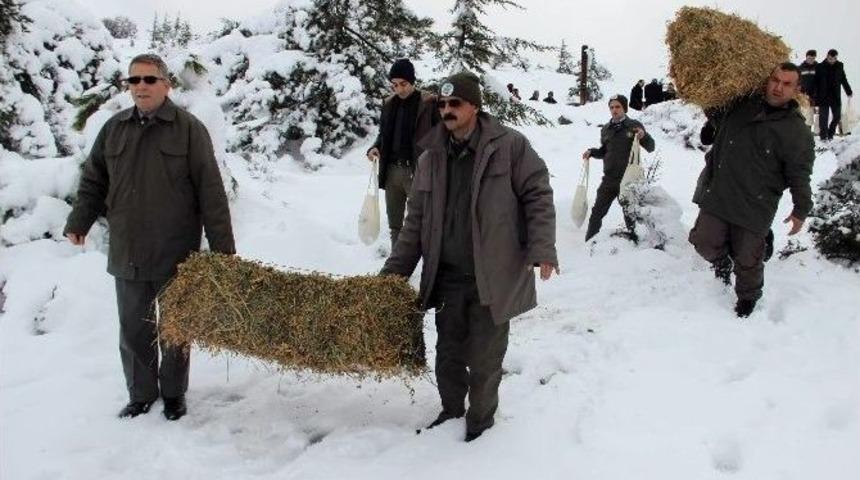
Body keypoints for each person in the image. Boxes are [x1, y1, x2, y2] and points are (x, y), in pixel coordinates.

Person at [381, 71, 558, 442]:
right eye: (442, 104)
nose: (446, 110)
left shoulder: (509, 146)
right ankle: (450, 412)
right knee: (447, 354)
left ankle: (480, 425)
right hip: (447, 277)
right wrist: (392, 274)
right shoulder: (430, 156)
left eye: (454, 103)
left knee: (484, 359)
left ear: (474, 106)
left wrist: (542, 248)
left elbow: (537, 194)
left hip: (491, 275)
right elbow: (415, 221)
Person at [63, 53, 236, 420]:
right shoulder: (114, 129)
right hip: (128, 246)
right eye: (134, 80)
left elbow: (211, 192)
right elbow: (94, 179)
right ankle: (140, 393)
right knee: (134, 327)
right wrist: (80, 221)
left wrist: (224, 251)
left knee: (175, 328)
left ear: (165, 84)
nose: (140, 86)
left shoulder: (188, 129)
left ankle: (173, 394)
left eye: (149, 80)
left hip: (176, 250)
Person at [689, 63, 814, 317]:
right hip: (721, 193)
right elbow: (714, 112)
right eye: (775, 80)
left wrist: (801, 208)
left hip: (755, 204)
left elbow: (800, 174)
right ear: (767, 81)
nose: (778, 87)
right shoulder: (741, 106)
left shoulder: (796, 132)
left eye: (787, 84)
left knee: (748, 260)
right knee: (703, 242)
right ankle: (722, 264)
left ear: (796, 90)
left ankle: (748, 298)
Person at [367, 58, 439, 248]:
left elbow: (440, 137)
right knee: (395, 224)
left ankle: (427, 267)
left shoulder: (429, 103)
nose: (399, 89)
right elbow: (384, 134)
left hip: (417, 171)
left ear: (412, 81)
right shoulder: (389, 104)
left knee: (422, 222)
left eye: (403, 84)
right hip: (391, 171)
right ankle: (396, 271)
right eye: (394, 85)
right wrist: (375, 147)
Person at [581, 94, 655, 242]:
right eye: (612, 107)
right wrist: (592, 152)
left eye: (618, 107)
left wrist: (643, 136)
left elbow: (651, 147)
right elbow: (605, 151)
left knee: (629, 214)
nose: (614, 110)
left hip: (627, 180)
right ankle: (589, 243)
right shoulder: (606, 129)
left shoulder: (634, 125)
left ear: (624, 108)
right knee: (597, 213)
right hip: (608, 180)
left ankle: (634, 243)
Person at [814, 49, 853, 140]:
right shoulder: (819, 67)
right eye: (831, 58)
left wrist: (848, 91)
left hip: (835, 96)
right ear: (827, 56)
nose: (832, 60)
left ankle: (830, 134)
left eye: (834, 58)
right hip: (823, 96)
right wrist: (815, 96)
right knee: (823, 119)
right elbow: (815, 83)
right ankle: (823, 137)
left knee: (837, 116)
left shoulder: (840, 65)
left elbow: (843, 79)